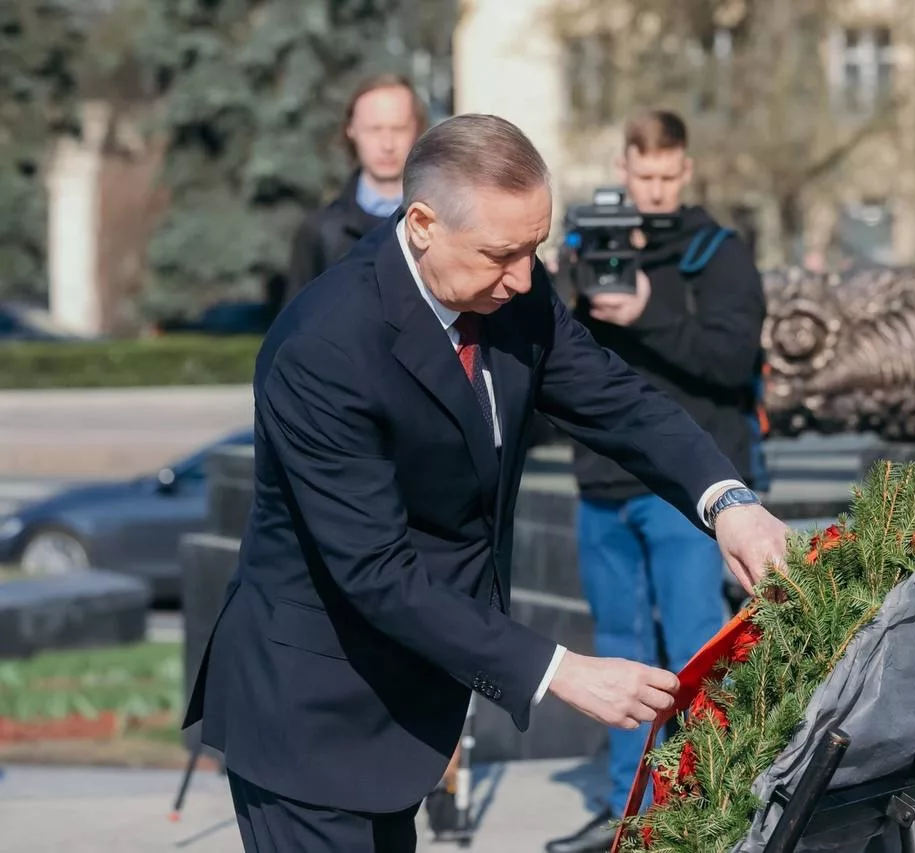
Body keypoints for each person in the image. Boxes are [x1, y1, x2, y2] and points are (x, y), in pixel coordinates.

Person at [182, 113, 790, 853]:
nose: (524, 277)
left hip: (407, 702)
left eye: (535, 247)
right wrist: (560, 671)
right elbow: (375, 571)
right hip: (311, 711)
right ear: (423, 224)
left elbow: (614, 401)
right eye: (503, 254)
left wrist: (728, 504)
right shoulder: (326, 348)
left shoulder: (511, 290)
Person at [545, 109, 767, 853]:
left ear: (687, 169)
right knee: (617, 648)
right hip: (600, 481)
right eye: (644, 175)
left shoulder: (718, 253)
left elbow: (731, 360)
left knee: (696, 649)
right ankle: (626, 812)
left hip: (683, 488)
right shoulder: (595, 242)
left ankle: (708, 806)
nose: (656, 189)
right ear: (623, 168)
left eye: (668, 176)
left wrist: (648, 309)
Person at [282, 73, 427, 306]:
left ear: (418, 130)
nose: (387, 144)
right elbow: (294, 330)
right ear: (351, 130)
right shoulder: (320, 232)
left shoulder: (441, 223)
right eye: (374, 129)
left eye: (398, 129)